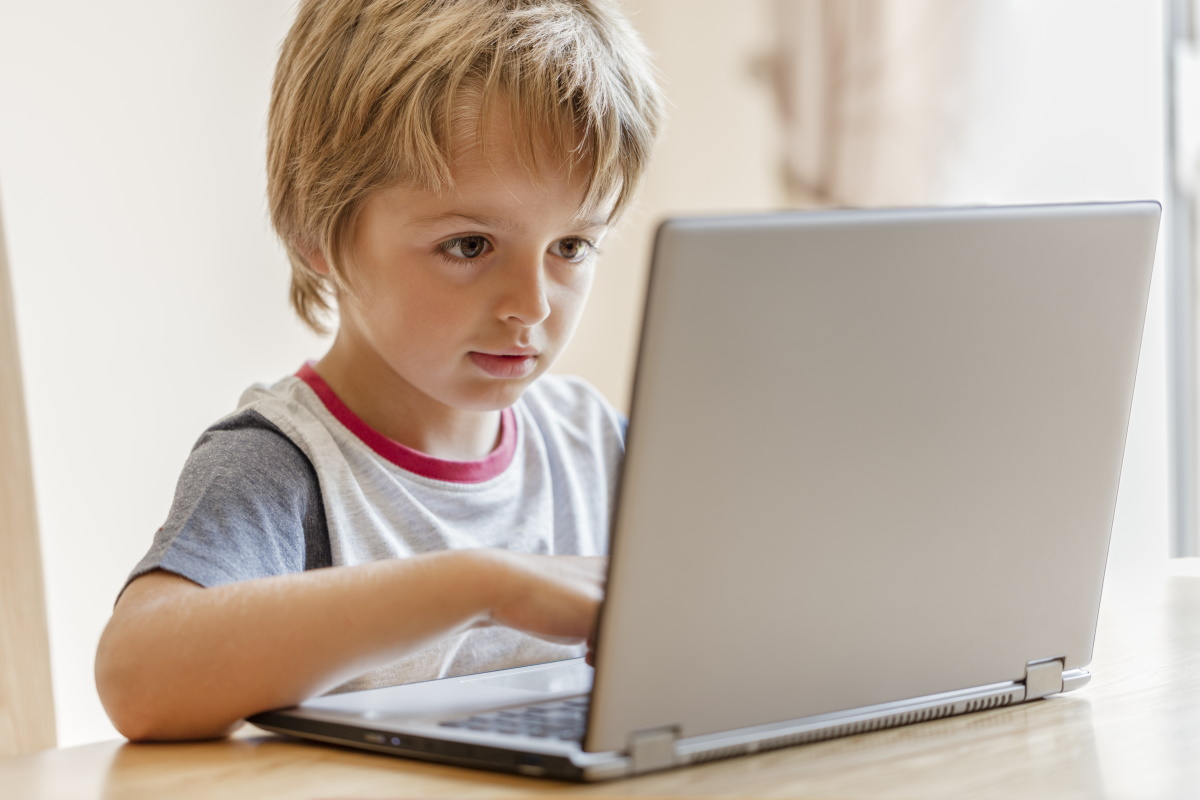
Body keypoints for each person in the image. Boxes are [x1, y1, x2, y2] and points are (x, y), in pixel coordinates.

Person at [94, 0, 663, 742]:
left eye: (572, 247)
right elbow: (138, 678)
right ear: (317, 236)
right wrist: (481, 584)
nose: (531, 305)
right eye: (469, 245)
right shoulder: (283, 466)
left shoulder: (595, 446)